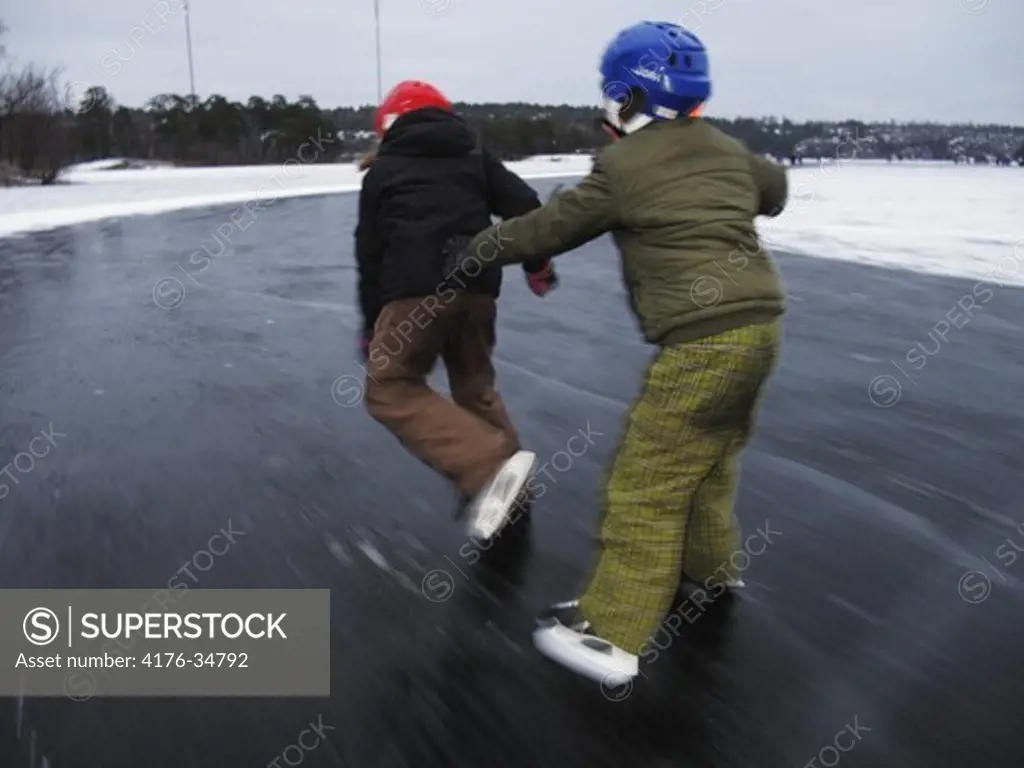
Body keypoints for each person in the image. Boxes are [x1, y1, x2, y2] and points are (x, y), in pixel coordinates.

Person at [445, 22, 789, 684]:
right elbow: (772, 189)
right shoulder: (726, 150)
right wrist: (727, 167)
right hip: (762, 328)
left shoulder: (622, 168)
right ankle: (710, 576)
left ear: (629, 100)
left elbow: (549, 227)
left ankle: (611, 633)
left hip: (701, 340)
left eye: (610, 97)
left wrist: (473, 251)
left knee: (646, 482)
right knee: (709, 466)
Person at [355, 80, 559, 541]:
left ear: (387, 126)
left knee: (388, 388)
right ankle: (512, 494)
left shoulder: (383, 173)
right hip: (477, 289)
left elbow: (369, 256)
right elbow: (526, 207)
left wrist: (371, 326)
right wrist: (537, 263)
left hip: (414, 292)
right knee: (474, 386)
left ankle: (490, 470)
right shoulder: (474, 157)